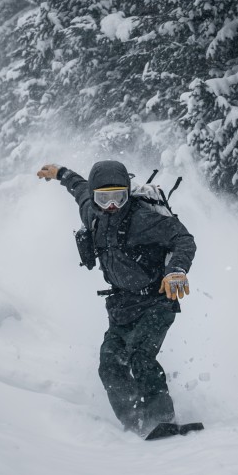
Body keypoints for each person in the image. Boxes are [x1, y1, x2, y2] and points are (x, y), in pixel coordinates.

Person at [37, 160, 196, 436]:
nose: (112, 205)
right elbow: (80, 188)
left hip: (157, 300)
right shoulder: (92, 214)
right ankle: (136, 423)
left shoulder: (143, 219)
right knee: (109, 364)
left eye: (119, 197)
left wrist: (176, 271)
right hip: (122, 306)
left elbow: (183, 239)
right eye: (104, 198)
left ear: (128, 193)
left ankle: (162, 421)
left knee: (140, 356)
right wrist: (60, 173)